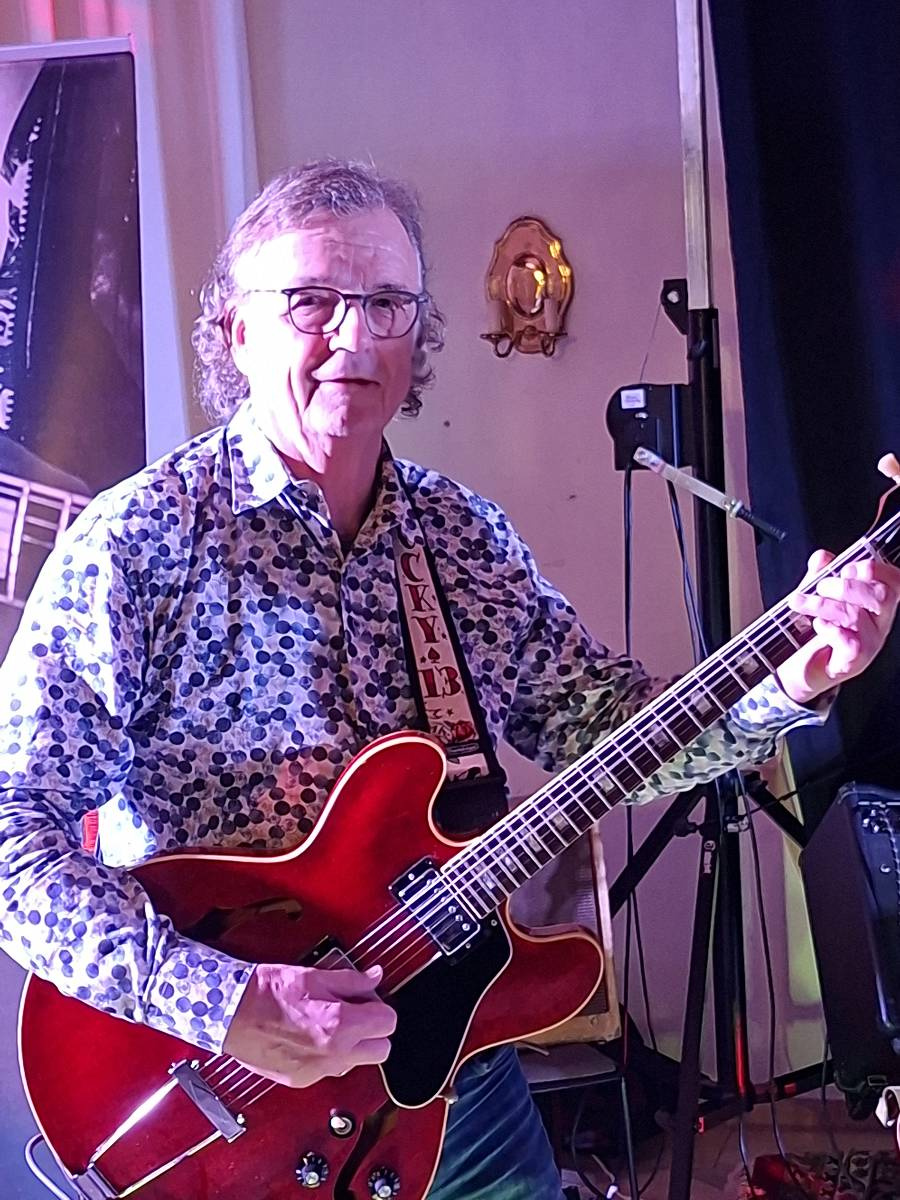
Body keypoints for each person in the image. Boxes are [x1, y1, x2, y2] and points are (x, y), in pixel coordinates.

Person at [0, 159, 897, 1200]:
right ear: (237, 332)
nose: (354, 337)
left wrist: (791, 678)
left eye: (387, 304)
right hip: (215, 1080)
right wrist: (220, 1001)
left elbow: (607, 730)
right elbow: (12, 830)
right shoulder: (138, 544)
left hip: (451, 1061)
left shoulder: (458, 536)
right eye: (311, 301)